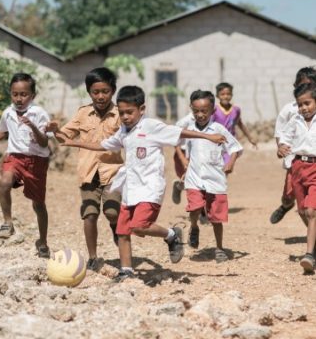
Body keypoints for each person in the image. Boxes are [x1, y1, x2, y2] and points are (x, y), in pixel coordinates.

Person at [59, 85, 227, 281]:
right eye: (121, 113)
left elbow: (180, 133)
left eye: (130, 112)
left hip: (150, 187)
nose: (125, 117)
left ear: (142, 109)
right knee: (122, 231)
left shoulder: (151, 127)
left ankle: (172, 234)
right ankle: (127, 271)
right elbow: (102, 145)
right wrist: (74, 142)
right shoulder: (123, 131)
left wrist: (209, 136)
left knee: (139, 225)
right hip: (131, 188)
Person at [46, 67, 123, 271]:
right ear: (89, 92)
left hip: (113, 172)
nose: (100, 96)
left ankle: (116, 228)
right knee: (90, 214)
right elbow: (66, 138)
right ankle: (93, 257)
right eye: (95, 92)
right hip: (88, 172)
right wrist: (56, 131)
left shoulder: (120, 115)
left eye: (105, 91)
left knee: (112, 212)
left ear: (113, 91)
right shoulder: (82, 113)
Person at [0, 72, 51, 258]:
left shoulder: (39, 114)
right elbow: (2, 132)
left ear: (32, 95)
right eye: (15, 94)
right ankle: (8, 222)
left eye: (24, 94)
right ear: (11, 94)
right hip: (14, 157)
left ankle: (43, 241)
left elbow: (43, 143)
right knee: (4, 182)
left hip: (36, 162)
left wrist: (32, 126)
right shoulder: (8, 112)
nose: (19, 98)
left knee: (38, 205)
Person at [175, 90, 242, 262]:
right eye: (196, 111)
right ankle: (194, 226)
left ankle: (219, 248)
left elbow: (235, 148)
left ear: (213, 111)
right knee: (195, 207)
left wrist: (231, 163)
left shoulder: (219, 129)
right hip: (194, 178)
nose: (200, 114)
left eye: (204, 111)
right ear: (191, 109)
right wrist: (183, 161)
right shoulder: (189, 129)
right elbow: (177, 143)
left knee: (216, 218)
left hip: (215, 179)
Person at [271, 67, 316, 224]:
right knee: (290, 196)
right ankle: (285, 206)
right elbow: (280, 133)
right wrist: (281, 148)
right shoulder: (289, 109)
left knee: (311, 202)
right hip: (295, 162)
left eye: (311, 85)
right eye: (302, 85)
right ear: (295, 86)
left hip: (313, 162)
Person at [279, 83, 316, 272]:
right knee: (302, 211)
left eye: (307, 103)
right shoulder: (295, 120)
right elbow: (284, 138)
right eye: (300, 104)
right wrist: (281, 147)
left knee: (311, 211)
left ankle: (309, 254)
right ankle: (314, 242)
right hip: (297, 167)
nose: (304, 108)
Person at [212, 82, 256, 164]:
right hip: (216, 143)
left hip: (230, 143)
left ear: (232, 95)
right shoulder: (214, 110)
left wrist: (250, 138)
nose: (225, 96)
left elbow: (240, 124)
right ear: (217, 96)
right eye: (222, 94)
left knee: (227, 166)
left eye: (228, 94)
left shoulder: (236, 110)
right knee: (216, 167)